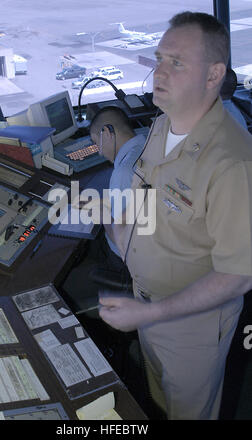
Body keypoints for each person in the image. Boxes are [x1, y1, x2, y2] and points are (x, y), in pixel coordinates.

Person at [98, 11, 252, 420]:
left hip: (191, 324)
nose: (158, 72)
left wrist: (151, 313)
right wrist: (116, 226)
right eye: (159, 58)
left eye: (176, 62)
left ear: (213, 74)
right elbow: (145, 195)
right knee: (162, 402)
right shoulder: (163, 125)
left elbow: (239, 275)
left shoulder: (232, 162)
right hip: (146, 304)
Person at [89, 106, 147, 279]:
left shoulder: (124, 172)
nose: (99, 152)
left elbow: (124, 242)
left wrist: (104, 215)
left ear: (107, 132)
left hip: (130, 263)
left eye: (96, 143)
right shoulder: (149, 144)